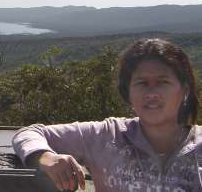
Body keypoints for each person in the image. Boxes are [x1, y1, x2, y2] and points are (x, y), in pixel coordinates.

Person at [12, 38, 201, 191]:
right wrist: (46, 157)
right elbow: (29, 133)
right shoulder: (106, 135)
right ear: (128, 91)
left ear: (184, 89)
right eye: (142, 83)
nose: (151, 93)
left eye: (162, 82)